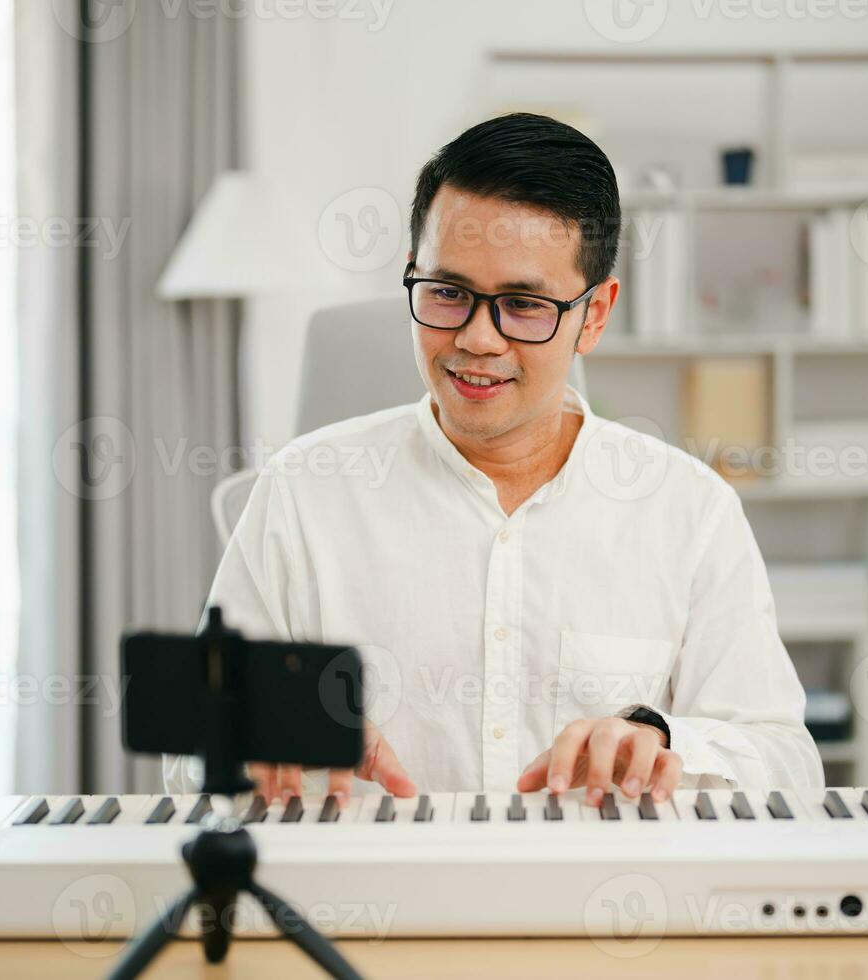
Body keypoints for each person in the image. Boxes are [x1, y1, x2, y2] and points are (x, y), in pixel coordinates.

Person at [165, 112, 821, 808]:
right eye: (448, 293)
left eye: (524, 304)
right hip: (366, 904)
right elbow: (190, 750)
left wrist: (659, 740)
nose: (477, 338)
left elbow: (787, 763)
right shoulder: (303, 491)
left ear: (595, 314)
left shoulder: (689, 509)